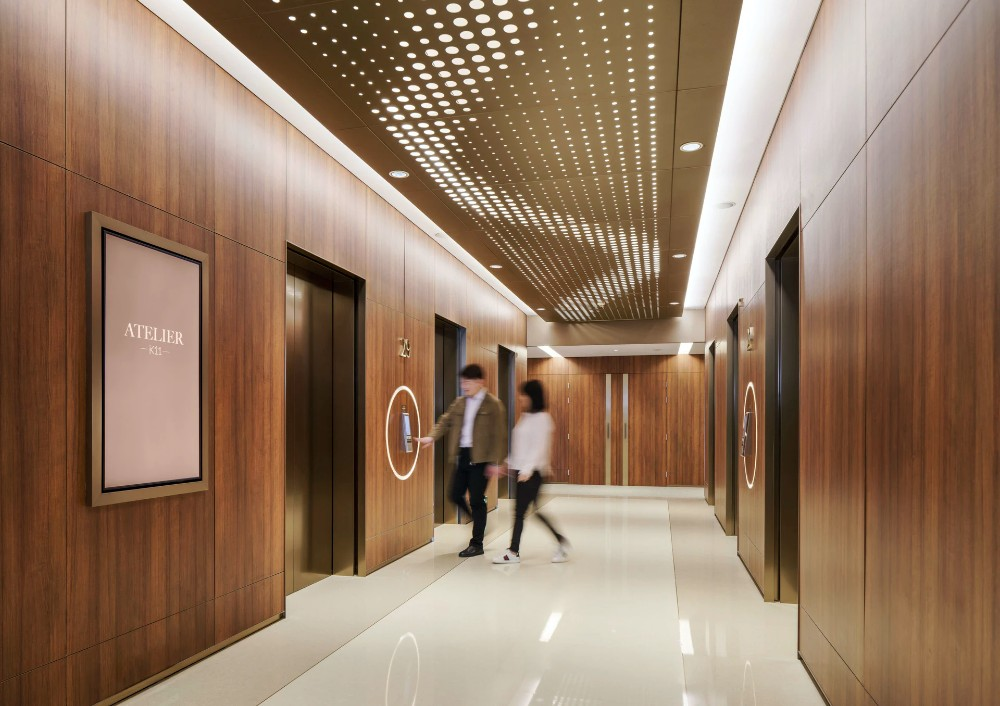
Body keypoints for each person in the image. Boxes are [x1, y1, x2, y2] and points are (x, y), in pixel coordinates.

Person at [417, 364, 507, 557]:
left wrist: (497, 463)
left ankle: (477, 543)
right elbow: (445, 420)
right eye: (463, 382)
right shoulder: (460, 402)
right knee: (454, 494)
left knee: (476, 499)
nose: (464, 386)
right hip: (464, 455)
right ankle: (478, 521)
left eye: (468, 382)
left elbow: (500, 435)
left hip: (482, 459)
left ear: (480, 382)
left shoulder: (493, 404)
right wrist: (431, 437)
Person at [492, 380, 570, 564]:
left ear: (533, 396)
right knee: (532, 510)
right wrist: (506, 465)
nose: (521, 398)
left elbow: (538, 448)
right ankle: (561, 542)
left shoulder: (542, 419)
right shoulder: (526, 417)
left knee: (519, 512)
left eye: (524, 394)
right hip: (521, 471)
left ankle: (513, 552)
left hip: (532, 473)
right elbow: (520, 447)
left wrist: (527, 470)